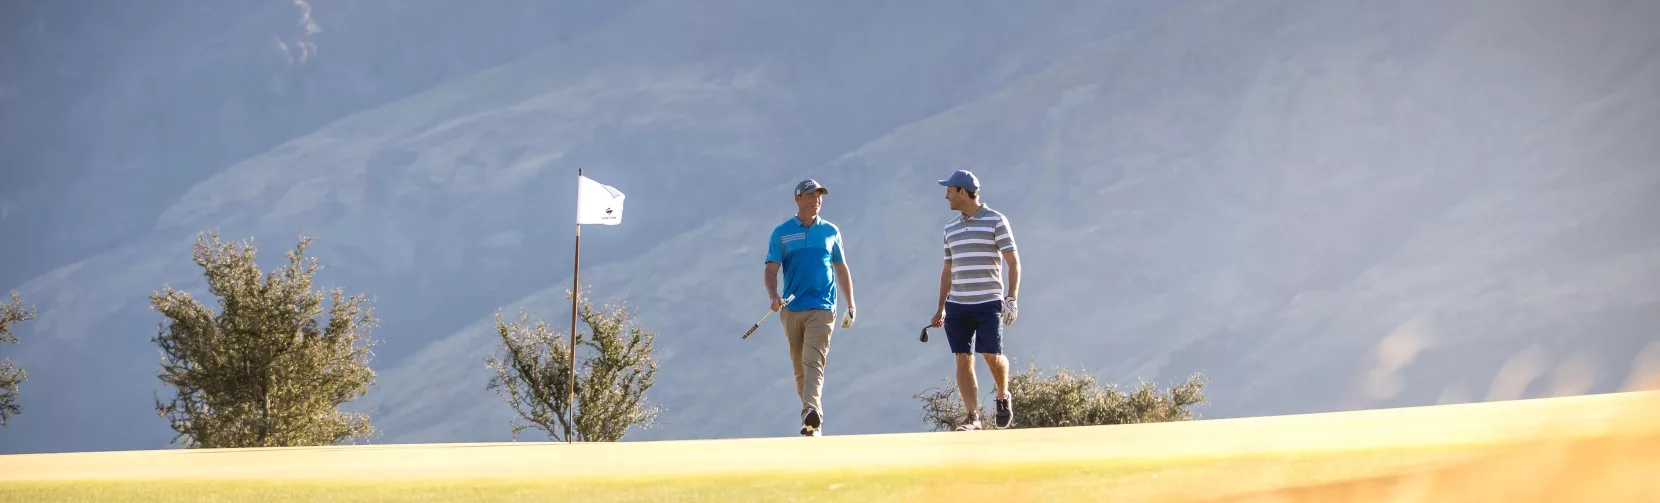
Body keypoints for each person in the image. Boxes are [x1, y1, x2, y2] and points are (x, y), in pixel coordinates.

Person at [928, 170, 1020, 431]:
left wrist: (1011, 299)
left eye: (949, 191)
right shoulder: (950, 228)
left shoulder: (996, 221)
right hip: (958, 304)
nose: (946, 196)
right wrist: (940, 307)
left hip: (988, 301)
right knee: (963, 358)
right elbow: (947, 270)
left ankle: (1003, 395)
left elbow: (1013, 262)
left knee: (991, 355)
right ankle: (973, 417)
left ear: (963, 192)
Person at [765, 179, 857, 437]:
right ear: (798, 199)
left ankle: (811, 410)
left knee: (813, 360)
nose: (816, 200)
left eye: (819, 196)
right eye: (811, 196)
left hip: (823, 306)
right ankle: (810, 421)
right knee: (799, 366)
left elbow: (840, 267)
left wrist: (850, 303)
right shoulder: (782, 233)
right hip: (792, 308)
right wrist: (773, 296)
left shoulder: (830, 231)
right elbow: (771, 269)